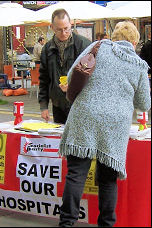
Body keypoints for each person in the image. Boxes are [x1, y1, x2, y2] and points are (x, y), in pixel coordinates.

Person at [58, 21, 151, 227]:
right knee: (108, 180)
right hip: (114, 126)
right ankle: (106, 224)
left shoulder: (96, 47)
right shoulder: (138, 65)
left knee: (76, 174)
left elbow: (73, 75)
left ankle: (67, 223)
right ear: (134, 42)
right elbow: (144, 104)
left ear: (113, 36)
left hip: (85, 115)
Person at [38, 9, 91, 124]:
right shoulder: (47, 49)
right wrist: (44, 106)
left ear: (70, 24)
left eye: (66, 28)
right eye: (59, 30)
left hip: (80, 105)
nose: (64, 33)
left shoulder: (83, 45)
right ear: (52, 27)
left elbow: (91, 76)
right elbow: (44, 79)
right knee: (60, 140)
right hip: (58, 106)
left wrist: (73, 86)